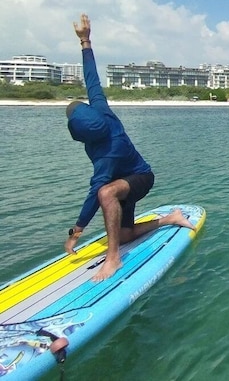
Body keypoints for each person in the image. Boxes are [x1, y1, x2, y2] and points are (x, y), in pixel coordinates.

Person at [65, 14, 193, 282]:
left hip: (140, 178)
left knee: (104, 192)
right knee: (123, 233)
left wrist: (76, 231)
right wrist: (85, 41)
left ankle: (113, 260)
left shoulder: (107, 152)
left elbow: (94, 194)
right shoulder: (102, 111)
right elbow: (92, 81)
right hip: (124, 183)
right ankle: (170, 218)